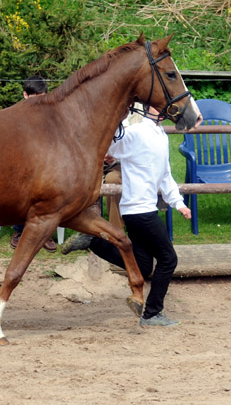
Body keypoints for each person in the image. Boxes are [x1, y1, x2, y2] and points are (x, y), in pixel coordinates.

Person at [61, 104, 191, 327]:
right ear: (148, 108)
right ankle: (152, 313)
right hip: (141, 211)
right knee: (169, 259)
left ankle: (94, 242)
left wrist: (178, 202)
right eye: (155, 106)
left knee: (142, 265)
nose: (160, 110)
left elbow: (165, 174)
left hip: (139, 210)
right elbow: (112, 145)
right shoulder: (137, 132)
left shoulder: (160, 135)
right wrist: (114, 123)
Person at [10, 75, 58, 252]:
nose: (39, 102)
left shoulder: (51, 116)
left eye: (42, 97)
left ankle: (45, 235)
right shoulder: (15, 115)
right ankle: (19, 231)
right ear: (25, 95)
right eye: (34, 98)